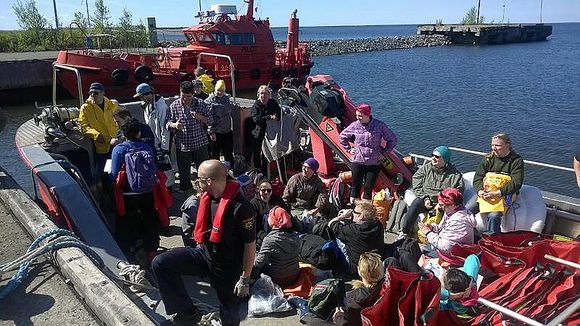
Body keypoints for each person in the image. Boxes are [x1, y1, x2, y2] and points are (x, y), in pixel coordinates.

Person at [151, 160, 256, 326]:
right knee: (161, 263)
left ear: (210, 181)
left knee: (229, 317)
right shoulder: (207, 198)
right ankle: (186, 311)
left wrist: (245, 278)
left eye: (199, 179)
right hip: (204, 254)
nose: (196, 182)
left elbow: (250, 244)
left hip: (227, 267)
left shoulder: (241, 207)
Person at [108, 119, 160, 263]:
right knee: (149, 218)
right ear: (138, 133)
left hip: (127, 194)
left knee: (125, 220)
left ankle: (128, 249)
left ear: (123, 133)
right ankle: (151, 251)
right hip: (146, 191)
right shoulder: (146, 147)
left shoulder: (119, 149)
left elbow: (113, 173)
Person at [399, 145, 464, 238]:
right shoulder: (426, 168)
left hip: (443, 204)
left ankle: (443, 236)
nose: (433, 158)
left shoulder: (455, 175)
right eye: (432, 155)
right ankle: (405, 232)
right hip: (426, 199)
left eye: (437, 157)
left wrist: (442, 203)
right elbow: (416, 180)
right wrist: (425, 198)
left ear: (445, 159)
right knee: (416, 203)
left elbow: (457, 192)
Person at [338, 103, 397, 203]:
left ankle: (365, 211)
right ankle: (355, 210)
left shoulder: (379, 126)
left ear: (367, 114)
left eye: (360, 116)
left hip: (374, 162)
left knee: (368, 188)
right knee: (355, 187)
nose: (358, 118)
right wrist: (349, 149)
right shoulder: (355, 125)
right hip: (358, 161)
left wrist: (384, 153)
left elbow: (393, 140)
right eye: (357, 115)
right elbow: (342, 137)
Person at [471, 133, 524, 234]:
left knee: (493, 216)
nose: (494, 148)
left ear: (507, 145)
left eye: (497, 145)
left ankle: (493, 242)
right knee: (467, 209)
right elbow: (478, 177)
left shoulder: (516, 161)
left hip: (505, 194)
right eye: (492, 145)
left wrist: (498, 193)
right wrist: (480, 191)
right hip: (486, 192)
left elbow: (516, 183)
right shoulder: (488, 158)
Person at [166, 81, 212, 193]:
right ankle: (186, 191)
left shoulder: (201, 104)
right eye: (183, 96)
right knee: (184, 172)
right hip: (183, 145)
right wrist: (174, 125)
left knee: (203, 170)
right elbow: (167, 123)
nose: (185, 99)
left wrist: (199, 117)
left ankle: (205, 190)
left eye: (188, 96)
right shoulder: (174, 106)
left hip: (199, 143)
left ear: (193, 94)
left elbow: (210, 120)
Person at [327, 201, 384, 278]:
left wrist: (342, 217)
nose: (352, 213)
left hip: (355, 269)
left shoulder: (354, 230)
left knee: (338, 236)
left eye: (354, 212)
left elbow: (331, 224)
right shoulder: (378, 225)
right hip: (373, 265)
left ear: (361, 216)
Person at [252, 206, 301, 288]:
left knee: (255, 267)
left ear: (275, 220)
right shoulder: (295, 235)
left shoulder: (270, 239)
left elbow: (258, 263)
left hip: (279, 279)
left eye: (270, 216)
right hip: (295, 276)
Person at [419, 188, 476, 255]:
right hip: (442, 247)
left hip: (454, 256)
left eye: (441, 205)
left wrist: (428, 233)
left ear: (452, 205)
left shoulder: (459, 222)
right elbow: (442, 228)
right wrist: (432, 228)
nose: (438, 207)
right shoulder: (451, 212)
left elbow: (446, 247)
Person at [78, 82, 119, 174]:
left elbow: (121, 119)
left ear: (102, 93)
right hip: (102, 147)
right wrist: (96, 134)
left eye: (95, 93)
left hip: (116, 143)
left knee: (119, 168)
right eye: (91, 93)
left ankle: (119, 186)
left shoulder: (112, 105)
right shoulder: (85, 108)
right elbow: (83, 126)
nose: (93, 95)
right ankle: (107, 186)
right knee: (106, 170)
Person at [249, 85, 281, 172]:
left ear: (269, 94)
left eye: (266, 93)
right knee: (257, 151)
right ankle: (257, 170)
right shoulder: (256, 105)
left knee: (266, 153)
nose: (264, 96)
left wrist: (277, 116)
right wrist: (269, 117)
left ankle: (266, 170)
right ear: (258, 94)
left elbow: (279, 111)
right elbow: (256, 119)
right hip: (258, 131)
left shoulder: (272, 102)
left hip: (271, 131)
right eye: (262, 93)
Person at [134, 83, 170, 153]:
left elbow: (164, 128)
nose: (141, 99)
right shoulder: (146, 106)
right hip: (153, 143)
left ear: (149, 94)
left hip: (161, 145)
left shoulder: (161, 107)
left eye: (142, 97)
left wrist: (164, 147)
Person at [206, 79, 235, 164]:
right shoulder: (210, 101)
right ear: (215, 90)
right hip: (216, 132)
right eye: (218, 90)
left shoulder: (227, 99)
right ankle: (215, 173)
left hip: (227, 131)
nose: (220, 92)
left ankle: (230, 172)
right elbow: (208, 117)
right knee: (215, 155)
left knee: (228, 154)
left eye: (222, 90)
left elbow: (231, 109)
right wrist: (211, 132)